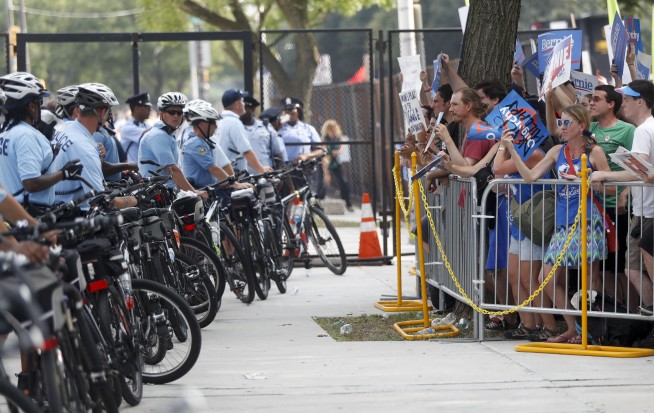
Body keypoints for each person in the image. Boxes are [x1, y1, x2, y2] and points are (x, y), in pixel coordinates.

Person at [503, 104, 612, 343]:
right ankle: (574, 328)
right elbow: (531, 177)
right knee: (546, 278)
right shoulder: (556, 151)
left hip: (587, 220)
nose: (561, 127)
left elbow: (612, 187)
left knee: (590, 280)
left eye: (566, 123)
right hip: (563, 224)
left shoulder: (595, 152)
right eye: (560, 122)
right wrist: (511, 149)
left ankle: (594, 331)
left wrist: (586, 179)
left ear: (581, 126)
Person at [592, 80, 654, 316]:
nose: (623, 104)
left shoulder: (642, 130)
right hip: (643, 208)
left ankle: (651, 318)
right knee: (634, 269)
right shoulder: (647, 128)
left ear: (641, 102)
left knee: (634, 269)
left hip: (647, 211)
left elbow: (639, 172)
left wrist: (605, 174)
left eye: (627, 100)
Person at [0, 72, 79, 215]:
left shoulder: (5, 131)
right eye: (39, 101)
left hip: (10, 212)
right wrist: (63, 173)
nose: (40, 106)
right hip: (30, 214)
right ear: (31, 106)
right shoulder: (26, 135)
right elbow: (31, 183)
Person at [52, 83, 137, 211]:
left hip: (57, 207)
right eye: (108, 110)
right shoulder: (84, 147)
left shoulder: (66, 128)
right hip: (74, 217)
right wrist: (137, 199)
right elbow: (101, 201)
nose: (109, 115)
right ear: (101, 111)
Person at [587, 85, 635, 306]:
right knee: (602, 264)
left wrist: (624, 194)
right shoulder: (590, 127)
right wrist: (550, 98)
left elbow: (637, 168)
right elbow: (555, 127)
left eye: (597, 99)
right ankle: (609, 310)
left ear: (611, 104)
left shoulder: (627, 130)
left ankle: (631, 313)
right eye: (590, 99)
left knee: (620, 265)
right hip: (594, 207)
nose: (591, 103)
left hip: (618, 207)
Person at [138, 91, 207, 200]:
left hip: (167, 194)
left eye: (179, 113)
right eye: (171, 112)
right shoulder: (158, 136)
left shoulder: (168, 135)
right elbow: (173, 170)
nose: (176, 116)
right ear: (161, 114)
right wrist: (194, 192)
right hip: (156, 198)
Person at [181, 99, 248, 190]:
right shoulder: (196, 144)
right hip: (198, 192)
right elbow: (214, 168)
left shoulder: (203, 141)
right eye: (212, 122)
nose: (216, 126)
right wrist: (235, 184)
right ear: (201, 124)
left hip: (206, 190)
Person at [217, 89, 270, 174]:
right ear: (237, 104)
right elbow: (246, 152)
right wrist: (261, 171)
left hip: (226, 175)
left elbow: (242, 155)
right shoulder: (234, 122)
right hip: (233, 176)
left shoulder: (222, 121)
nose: (244, 104)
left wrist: (260, 167)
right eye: (242, 101)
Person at [315, 119, 353, 211]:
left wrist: (337, 152)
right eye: (329, 128)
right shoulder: (324, 138)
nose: (331, 130)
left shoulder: (338, 137)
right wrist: (326, 173)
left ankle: (348, 203)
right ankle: (318, 203)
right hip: (324, 160)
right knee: (322, 181)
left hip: (335, 161)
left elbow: (341, 149)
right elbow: (323, 151)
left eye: (333, 128)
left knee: (343, 181)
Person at [240, 96, 285, 173]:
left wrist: (279, 174)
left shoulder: (266, 128)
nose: (243, 111)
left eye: (246, 108)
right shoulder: (236, 128)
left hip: (265, 176)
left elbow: (278, 155)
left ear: (252, 109)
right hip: (242, 178)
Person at [278, 97, 324, 163]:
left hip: (303, 168)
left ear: (298, 112)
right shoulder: (278, 129)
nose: (289, 113)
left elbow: (320, 150)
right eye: (286, 110)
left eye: (291, 110)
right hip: (284, 168)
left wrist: (306, 156)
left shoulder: (308, 129)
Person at [120, 92, 152, 163]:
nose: (150, 110)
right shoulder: (127, 128)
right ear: (137, 108)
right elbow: (149, 134)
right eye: (147, 107)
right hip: (132, 172)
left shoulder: (145, 125)